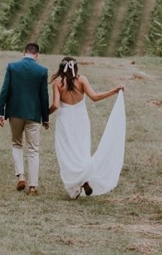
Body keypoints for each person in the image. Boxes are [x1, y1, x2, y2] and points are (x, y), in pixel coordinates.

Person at [49, 56, 125, 199]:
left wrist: (44, 114)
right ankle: (84, 179)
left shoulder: (58, 83)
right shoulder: (82, 80)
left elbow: (55, 105)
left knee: (68, 151)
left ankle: (79, 181)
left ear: (61, 68)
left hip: (65, 120)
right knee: (82, 149)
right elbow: (95, 97)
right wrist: (113, 91)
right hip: (81, 119)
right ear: (75, 68)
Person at [0, 43, 49, 196]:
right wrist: (45, 118)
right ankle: (33, 187)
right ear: (37, 55)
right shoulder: (42, 71)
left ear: (23, 52)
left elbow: (5, 89)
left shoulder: (12, 67)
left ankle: (21, 175)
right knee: (33, 149)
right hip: (33, 114)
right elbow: (44, 96)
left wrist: (0, 112)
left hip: (15, 112)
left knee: (17, 144)